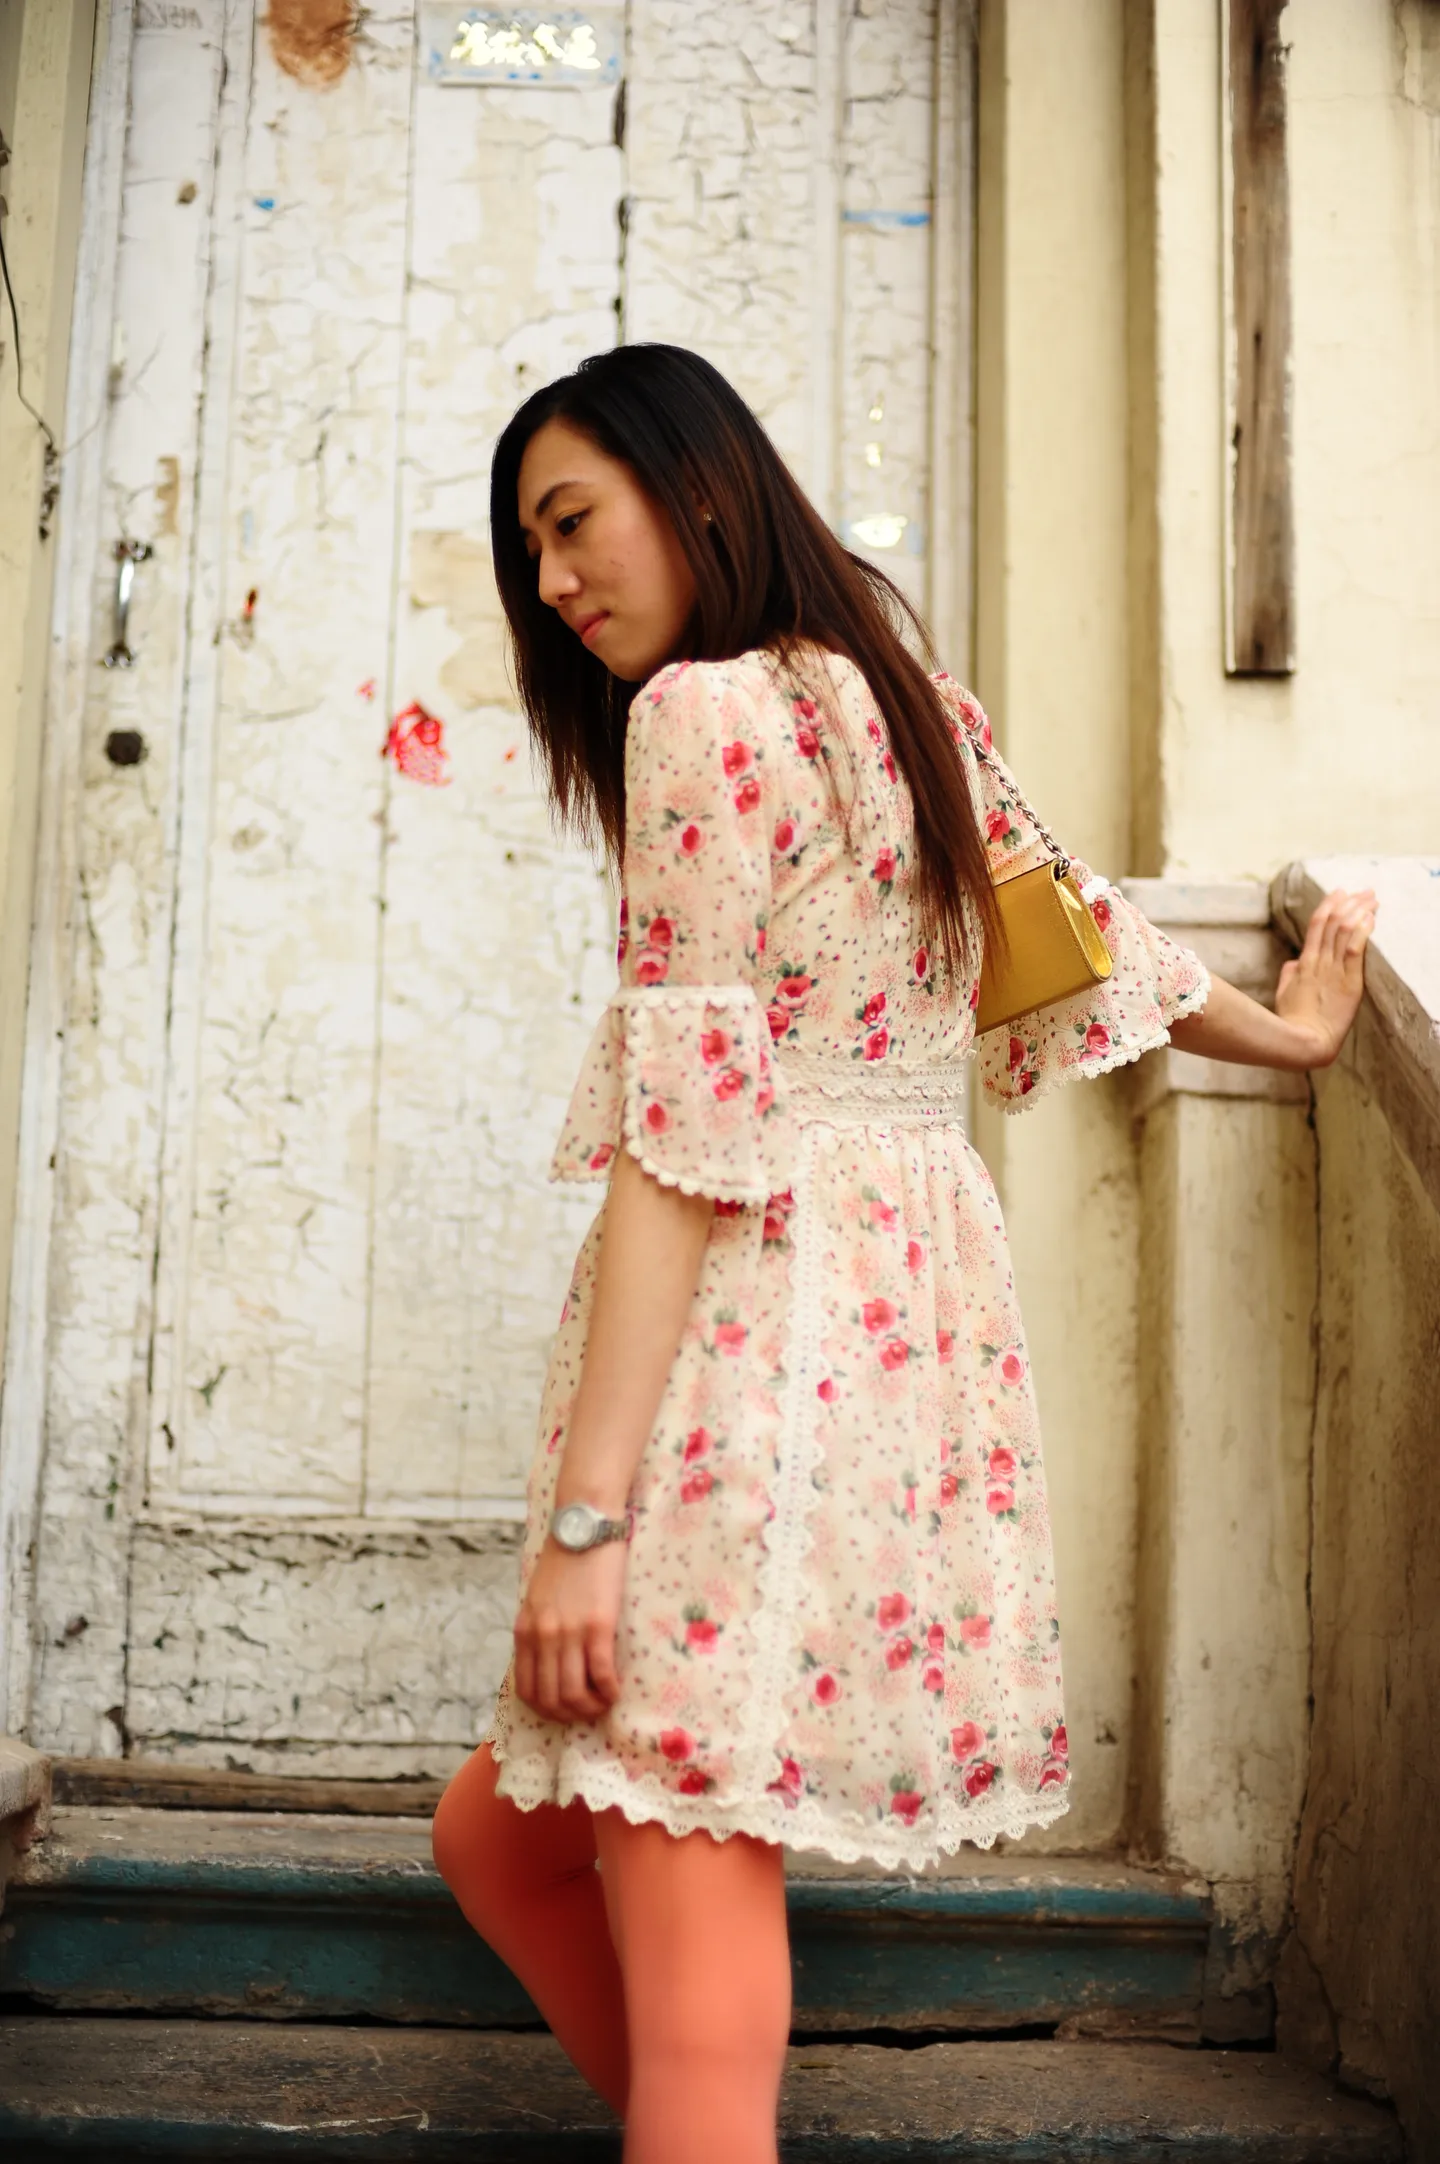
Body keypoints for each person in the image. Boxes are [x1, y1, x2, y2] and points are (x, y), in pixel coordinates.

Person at [430, 344, 1375, 2164]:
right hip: (891, 1356)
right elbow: (1075, 935)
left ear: (696, 487)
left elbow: (686, 1140)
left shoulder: (700, 717)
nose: (549, 582)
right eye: (527, 551)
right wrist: (1293, 1031)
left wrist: (586, 1527)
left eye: (570, 523)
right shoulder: (904, 699)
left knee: (697, 1963)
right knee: (500, 1838)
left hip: (742, 1354)